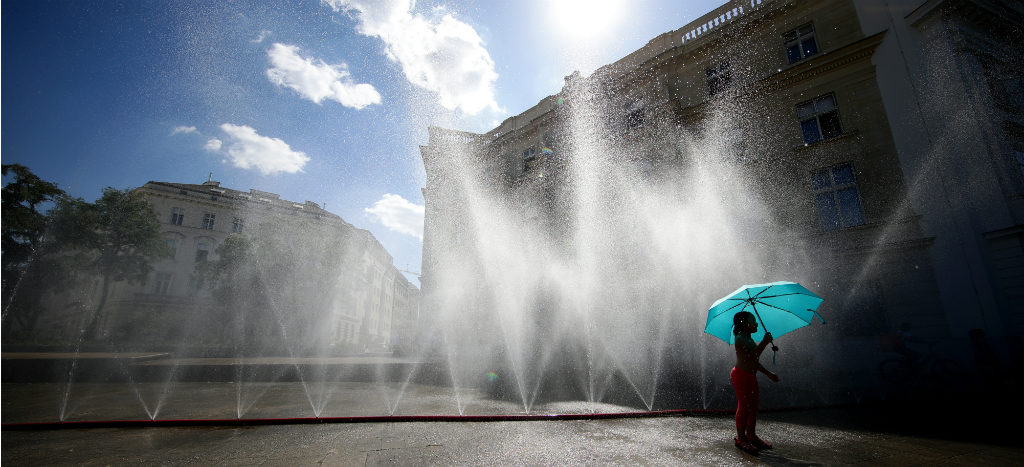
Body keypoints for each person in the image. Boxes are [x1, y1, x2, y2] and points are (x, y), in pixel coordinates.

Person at [730, 311, 779, 453]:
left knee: (753, 407)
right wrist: (764, 343)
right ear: (743, 323)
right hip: (740, 376)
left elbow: (754, 362)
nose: (756, 324)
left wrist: (768, 374)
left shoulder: (749, 339)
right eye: (753, 321)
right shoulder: (740, 339)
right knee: (744, 406)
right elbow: (751, 357)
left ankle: (751, 435)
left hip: (750, 376)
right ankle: (741, 438)